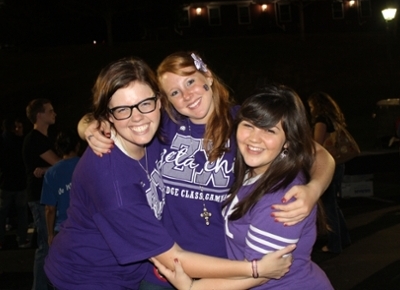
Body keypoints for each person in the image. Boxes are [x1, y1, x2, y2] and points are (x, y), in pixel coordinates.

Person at [80, 52, 335, 289]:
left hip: (226, 272)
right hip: (166, 271)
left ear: (208, 77)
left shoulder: (245, 125)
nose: (187, 96)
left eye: (190, 82)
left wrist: (313, 189)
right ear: (164, 102)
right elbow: (117, 115)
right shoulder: (161, 126)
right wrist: (88, 126)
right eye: (175, 92)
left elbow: (317, 153)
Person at [152, 85, 334, 289]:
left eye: (269, 130)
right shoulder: (255, 173)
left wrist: (192, 287)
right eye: (248, 125)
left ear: (288, 141)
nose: (254, 138)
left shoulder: (283, 200)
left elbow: (262, 274)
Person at [22, 98, 61, 290]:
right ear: (40, 115)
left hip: (46, 196)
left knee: (49, 245)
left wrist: (46, 169)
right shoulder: (35, 139)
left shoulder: (44, 139)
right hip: (40, 198)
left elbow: (55, 166)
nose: (54, 114)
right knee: (46, 245)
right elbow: (59, 163)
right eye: (50, 111)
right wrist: (50, 168)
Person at [308, 91, 351, 254]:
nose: (310, 109)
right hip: (338, 163)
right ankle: (344, 238)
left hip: (326, 164)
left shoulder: (321, 121)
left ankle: (335, 244)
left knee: (328, 206)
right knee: (333, 203)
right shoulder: (334, 119)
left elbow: (317, 144)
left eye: (311, 106)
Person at [40, 129, 81, 246]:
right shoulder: (87, 165)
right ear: (77, 146)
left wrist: (50, 234)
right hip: (86, 225)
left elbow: (50, 209)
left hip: (63, 228)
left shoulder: (51, 173)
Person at [0, 118, 29, 249]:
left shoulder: (2, 141)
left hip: (4, 183)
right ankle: (21, 239)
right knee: (22, 212)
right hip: (20, 182)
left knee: (2, 213)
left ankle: (1, 240)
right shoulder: (20, 142)